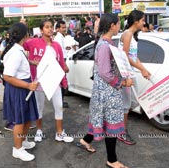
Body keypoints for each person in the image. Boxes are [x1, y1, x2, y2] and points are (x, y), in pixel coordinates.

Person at [78, 13, 132, 168]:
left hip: (105, 90)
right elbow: (104, 73)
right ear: (112, 26)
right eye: (118, 23)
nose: (120, 26)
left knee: (100, 119)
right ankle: (112, 160)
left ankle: (85, 140)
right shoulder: (104, 45)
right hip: (107, 92)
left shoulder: (105, 43)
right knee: (111, 125)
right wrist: (121, 82)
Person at [24, 19, 74, 143]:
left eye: (51, 27)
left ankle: (59, 133)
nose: (50, 29)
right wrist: (30, 61)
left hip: (54, 80)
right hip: (39, 81)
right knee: (39, 107)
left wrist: (64, 77)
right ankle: (39, 130)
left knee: (59, 105)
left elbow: (61, 64)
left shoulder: (56, 45)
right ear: (41, 30)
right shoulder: (33, 42)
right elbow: (20, 48)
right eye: (47, 27)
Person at [2, 22, 39, 161]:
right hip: (20, 89)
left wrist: (31, 62)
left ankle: (22, 142)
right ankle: (17, 149)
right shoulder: (15, 53)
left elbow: (18, 66)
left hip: (23, 87)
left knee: (27, 119)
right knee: (20, 121)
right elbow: (7, 76)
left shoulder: (18, 50)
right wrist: (28, 86)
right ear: (26, 36)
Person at [118, 10, 151, 145]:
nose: (144, 23)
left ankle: (118, 124)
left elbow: (133, 56)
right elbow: (125, 57)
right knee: (126, 105)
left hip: (131, 73)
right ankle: (122, 132)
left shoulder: (132, 35)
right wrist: (141, 69)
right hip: (126, 74)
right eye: (142, 20)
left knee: (134, 102)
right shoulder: (127, 35)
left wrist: (143, 68)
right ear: (136, 21)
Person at [54, 20, 69, 108]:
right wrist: (64, 65)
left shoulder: (61, 37)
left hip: (61, 62)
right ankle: (60, 101)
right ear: (58, 29)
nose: (64, 29)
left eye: (65, 27)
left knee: (62, 83)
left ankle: (61, 101)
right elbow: (59, 53)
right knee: (62, 83)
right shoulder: (58, 38)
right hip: (60, 63)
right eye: (62, 28)